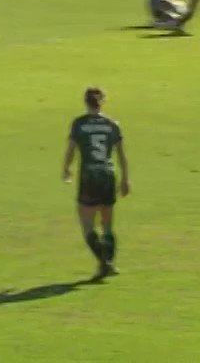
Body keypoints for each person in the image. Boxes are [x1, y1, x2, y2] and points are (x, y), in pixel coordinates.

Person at [62, 86, 130, 280]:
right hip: (108, 174)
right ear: (102, 102)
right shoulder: (112, 125)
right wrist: (125, 179)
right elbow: (122, 156)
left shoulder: (79, 124)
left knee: (87, 226)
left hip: (88, 176)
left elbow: (71, 150)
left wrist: (66, 169)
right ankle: (110, 263)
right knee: (107, 224)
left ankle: (104, 263)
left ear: (85, 102)